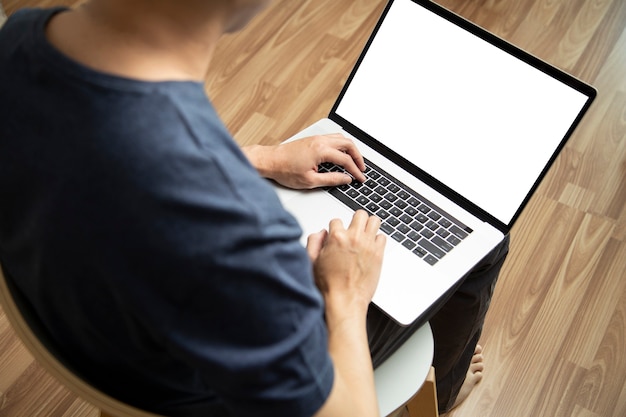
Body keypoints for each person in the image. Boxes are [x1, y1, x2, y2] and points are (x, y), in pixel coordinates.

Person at [0, 1, 509, 416]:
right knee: (487, 245)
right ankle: (445, 389)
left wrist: (265, 158)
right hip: (209, 391)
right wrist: (346, 294)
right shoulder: (226, 221)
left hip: (106, 331)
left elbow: (117, 153)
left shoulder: (19, 39)